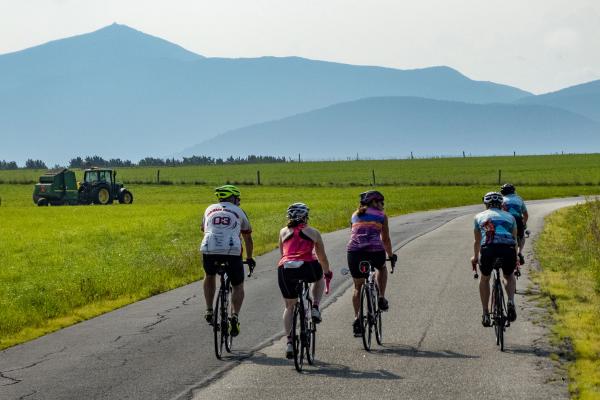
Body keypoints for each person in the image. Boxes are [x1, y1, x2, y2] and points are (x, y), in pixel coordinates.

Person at [278, 202, 332, 359]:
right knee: (319, 277)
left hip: (286, 268)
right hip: (307, 265)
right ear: (305, 217)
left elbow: (283, 254)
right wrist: (327, 271)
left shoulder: (282, 232)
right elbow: (321, 257)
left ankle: (289, 342)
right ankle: (315, 307)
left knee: (289, 306)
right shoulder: (313, 232)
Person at [200, 185, 255, 337]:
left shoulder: (209, 209)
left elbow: (204, 229)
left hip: (209, 248)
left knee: (209, 275)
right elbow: (247, 238)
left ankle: (209, 309)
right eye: (238, 199)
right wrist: (249, 258)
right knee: (238, 285)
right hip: (232, 251)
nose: (239, 201)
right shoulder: (239, 211)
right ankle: (234, 316)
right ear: (233, 198)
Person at [347, 190, 397, 337]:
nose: (383, 205)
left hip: (354, 252)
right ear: (374, 202)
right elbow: (386, 239)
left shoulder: (354, 215)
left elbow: (353, 233)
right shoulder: (381, 216)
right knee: (381, 268)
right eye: (381, 202)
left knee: (357, 286)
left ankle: (357, 318)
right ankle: (381, 297)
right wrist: (391, 255)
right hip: (375, 251)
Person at [471, 192, 518, 327]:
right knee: (508, 275)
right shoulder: (510, 217)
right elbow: (514, 240)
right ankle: (510, 301)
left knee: (485, 278)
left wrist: (475, 257)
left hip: (489, 248)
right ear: (501, 204)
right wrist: (514, 258)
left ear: (486, 204)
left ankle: (486, 313)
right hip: (508, 248)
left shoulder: (479, 217)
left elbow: (477, 241)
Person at [500, 183, 529, 265]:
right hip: (518, 220)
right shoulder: (519, 199)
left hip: (505, 220)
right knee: (522, 236)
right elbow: (526, 215)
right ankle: (520, 252)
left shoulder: (501, 199)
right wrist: (523, 224)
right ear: (513, 191)